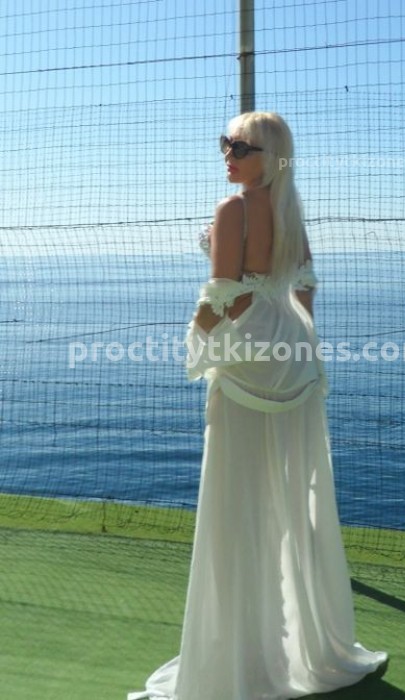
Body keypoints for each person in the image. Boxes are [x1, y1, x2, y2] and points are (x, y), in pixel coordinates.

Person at [128, 112, 388, 700]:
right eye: (225, 143)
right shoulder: (290, 210)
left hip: (247, 355)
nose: (228, 154)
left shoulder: (234, 209)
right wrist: (293, 341)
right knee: (291, 494)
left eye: (240, 147)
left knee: (236, 496)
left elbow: (221, 295)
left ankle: (238, 656)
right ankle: (302, 644)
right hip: (292, 354)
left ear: (270, 156)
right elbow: (305, 285)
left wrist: (196, 344)